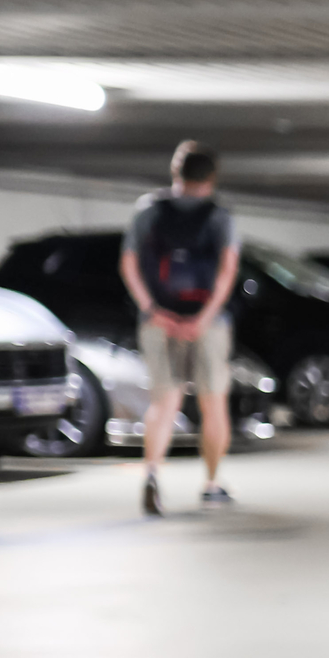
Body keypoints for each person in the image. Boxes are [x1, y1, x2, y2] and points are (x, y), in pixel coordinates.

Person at [120, 141, 241, 515]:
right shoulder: (220, 216)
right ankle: (212, 483)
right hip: (208, 323)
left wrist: (153, 311)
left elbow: (128, 264)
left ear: (176, 172)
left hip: (158, 321)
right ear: (212, 177)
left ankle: (152, 473)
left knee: (164, 401)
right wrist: (203, 318)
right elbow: (227, 270)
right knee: (212, 402)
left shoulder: (149, 210)